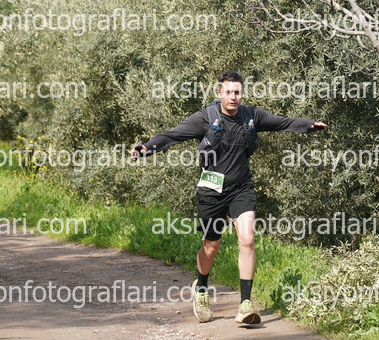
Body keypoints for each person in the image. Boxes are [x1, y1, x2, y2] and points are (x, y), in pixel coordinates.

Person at [131, 70, 327, 324]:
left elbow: (281, 122)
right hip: (211, 192)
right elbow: (172, 135)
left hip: (240, 189)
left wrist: (308, 125)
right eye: (229, 92)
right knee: (211, 247)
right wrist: (146, 148)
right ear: (219, 93)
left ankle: (245, 304)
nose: (234, 97)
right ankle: (201, 288)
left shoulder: (251, 116)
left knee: (247, 239)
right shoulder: (205, 118)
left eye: (237, 92)